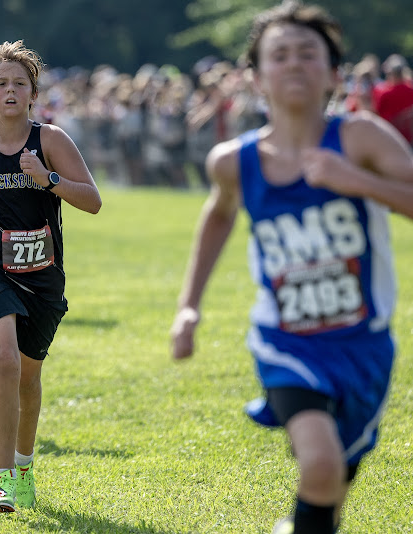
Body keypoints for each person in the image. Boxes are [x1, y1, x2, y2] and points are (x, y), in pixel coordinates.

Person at [169, 3, 413, 533]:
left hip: (364, 343)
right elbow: (217, 216)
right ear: (255, 78)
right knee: (320, 466)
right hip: (286, 340)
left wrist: (359, 181)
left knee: (329, 488)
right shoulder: (235, 160)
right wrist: (189, 307)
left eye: (309, 54)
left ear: (334, 73)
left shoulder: (361, 138)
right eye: (279, 55)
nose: (295, 64)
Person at [0, 40, 102, 513]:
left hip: (42, 274)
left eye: (20, 83)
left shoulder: (51, 140)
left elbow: (93, 200)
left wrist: (48, 180)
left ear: (33, 93)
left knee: (28, 378)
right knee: (3, 359)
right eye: (0, 84)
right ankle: (1, 480)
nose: (10, 90)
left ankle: (24, 466)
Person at [371, 54, 413, 145]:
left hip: (389, 140)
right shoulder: (411, 90)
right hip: (409, 141)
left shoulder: (384, 93)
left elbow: (376, 115)